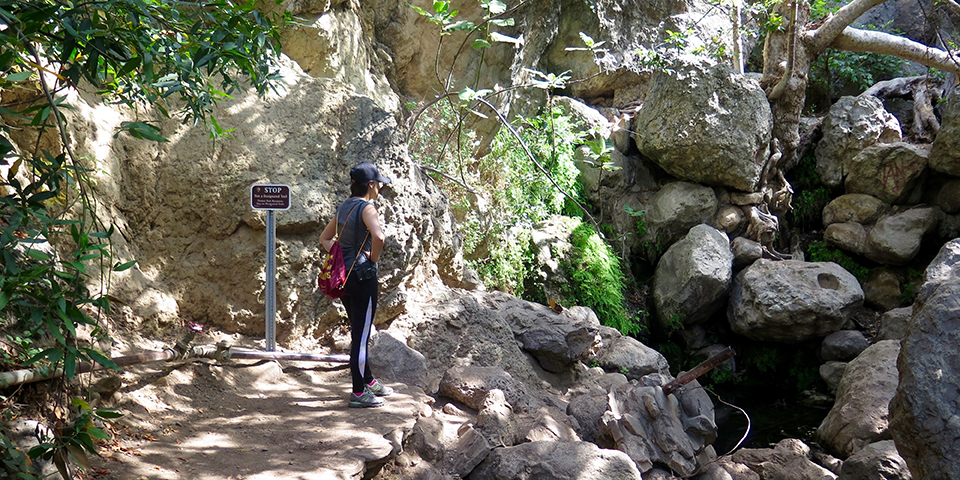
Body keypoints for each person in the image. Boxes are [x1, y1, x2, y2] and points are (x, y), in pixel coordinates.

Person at [319, 162, 395, 408]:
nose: (380, 188)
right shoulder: (367, 207)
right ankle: (359, 392)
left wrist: (342, 256)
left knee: (359, 330)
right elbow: (379, 237)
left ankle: (369, 380)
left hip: (345, 276)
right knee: (361, 336)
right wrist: (372, 260)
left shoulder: (343, 207)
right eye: (379, 184)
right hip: (363, 277)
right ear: (371, 185)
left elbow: (325, 238)